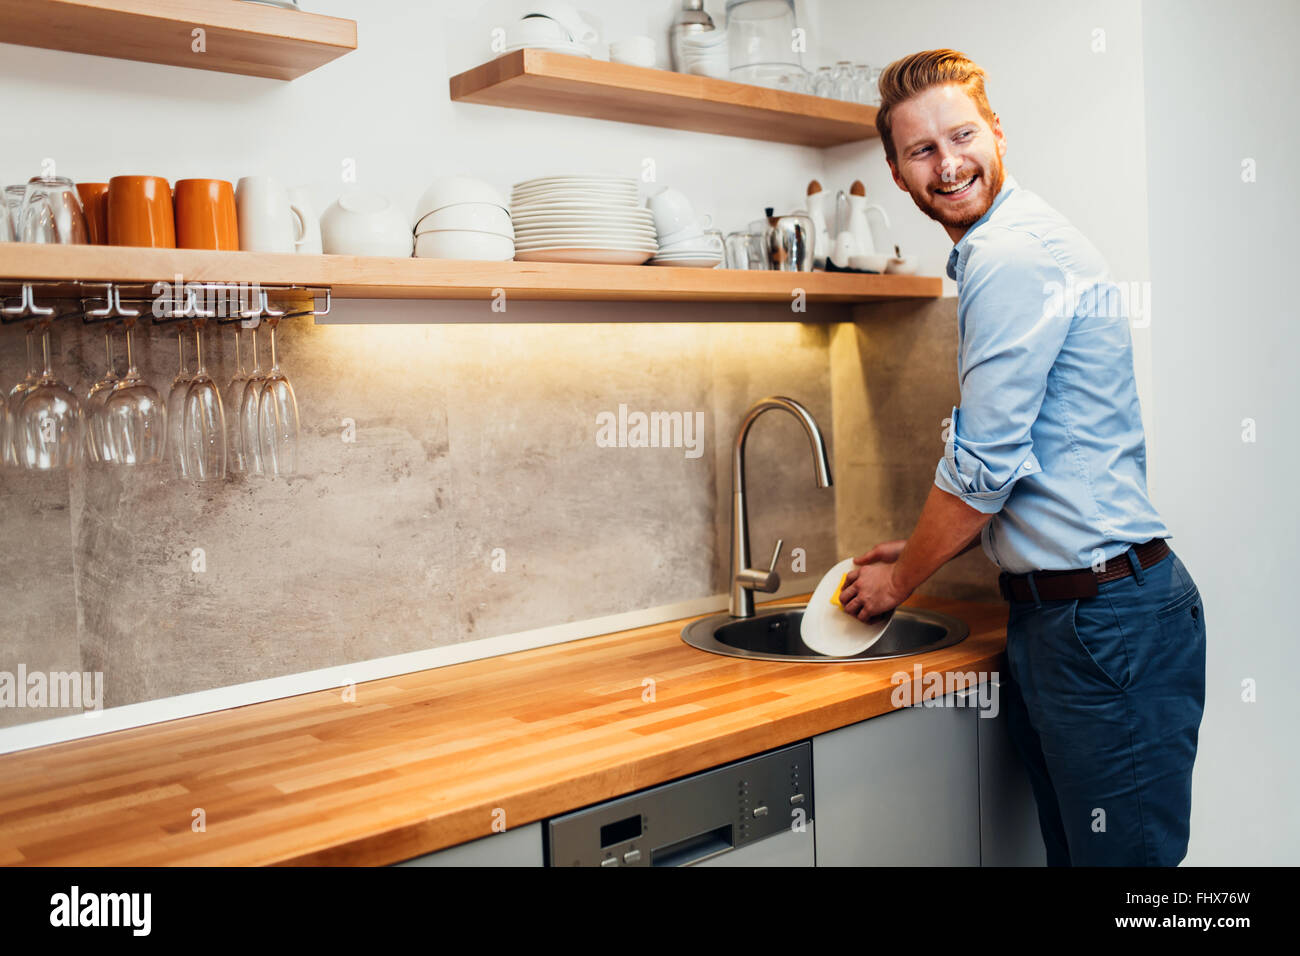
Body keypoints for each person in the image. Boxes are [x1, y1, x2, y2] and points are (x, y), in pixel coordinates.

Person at [835, 49, 1206, 866]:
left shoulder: (1011, 257)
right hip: (1080, 616)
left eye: (961, 135)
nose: (948, 163)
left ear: (997, 133)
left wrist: (901, 581)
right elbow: (1020, 467)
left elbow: (984, 469)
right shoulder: (1005, 247)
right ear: (896, 173)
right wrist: (929, 543)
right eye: (921, 150)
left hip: (1101, 622)